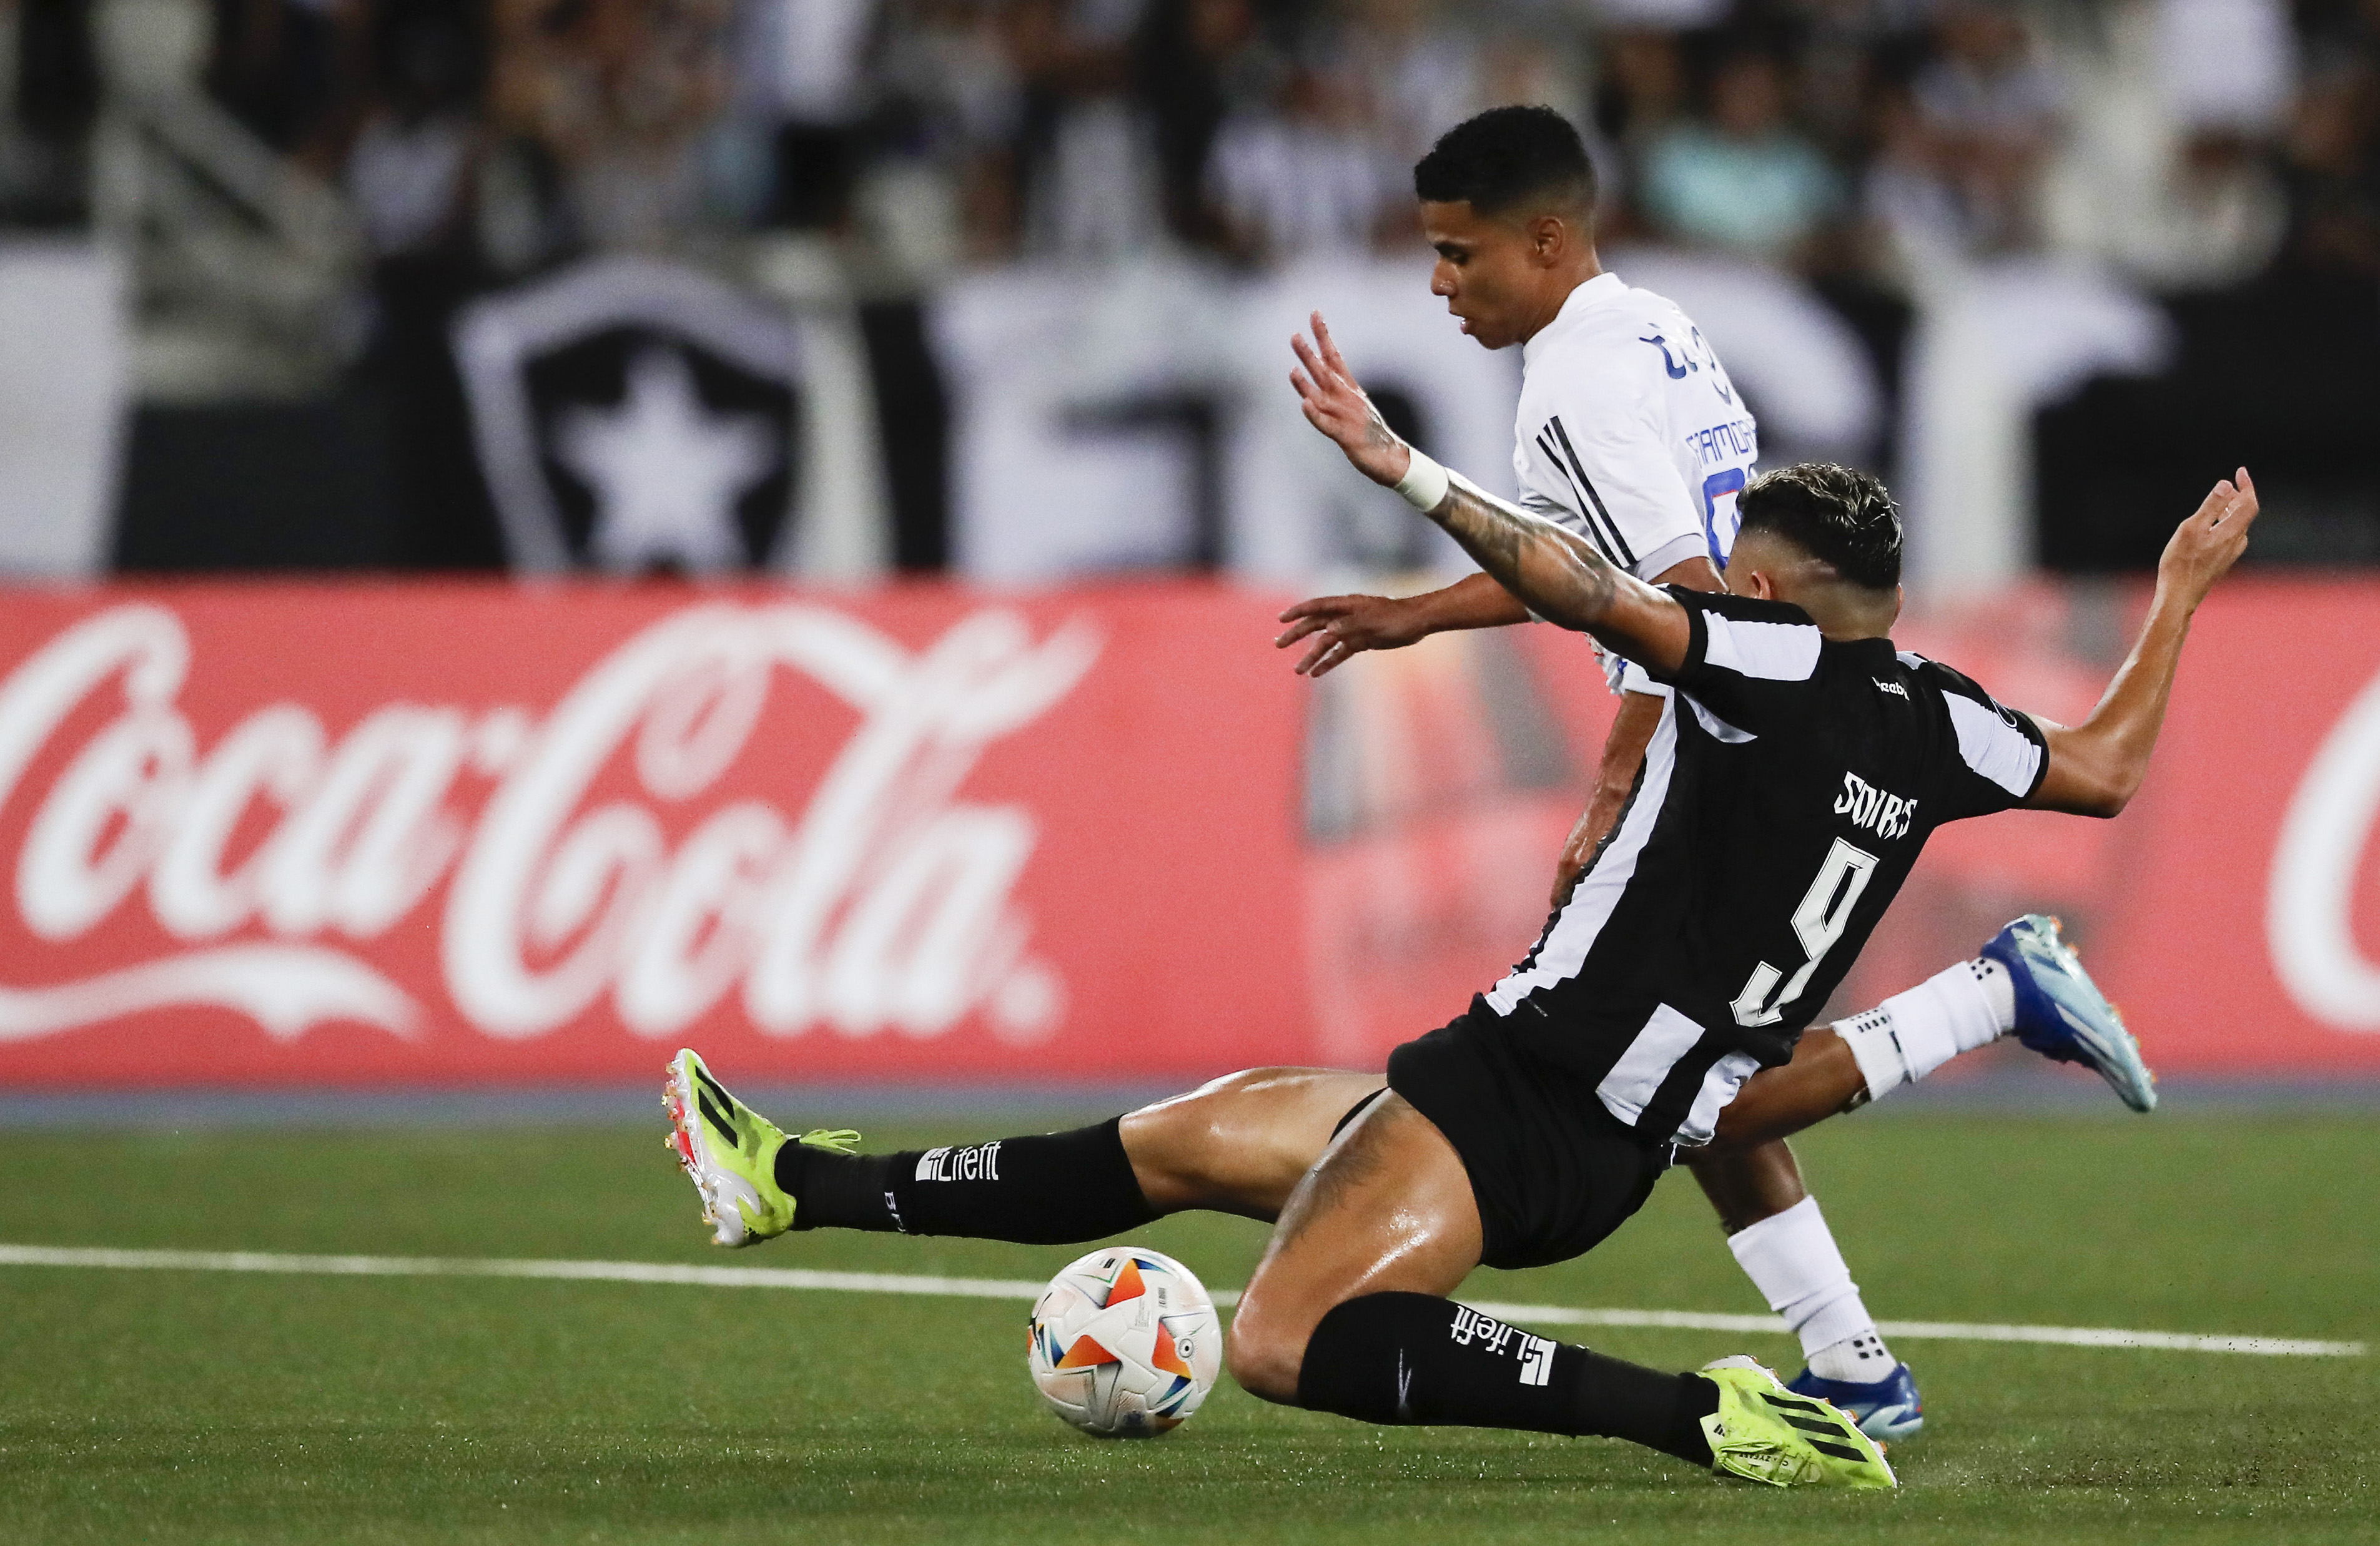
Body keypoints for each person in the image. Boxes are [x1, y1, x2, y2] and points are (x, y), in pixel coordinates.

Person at [666, 455, 2259, 1490]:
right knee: (1188, 1138)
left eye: (1723, 565)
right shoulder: (1944, 718)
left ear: (1770, 593)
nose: (1701, 578)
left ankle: (1701, 1412)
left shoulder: (1764, 659)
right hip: (1588, 1103)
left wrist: (1404, 473)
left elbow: (1580, 586)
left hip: (1534, 1094)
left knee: (1286, 1340)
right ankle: (788, 1179)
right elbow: (2106, 766)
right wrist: (2179, 588)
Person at [1270, 104, 2080, 1437]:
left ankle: (1986, 997)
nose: (1438, 282)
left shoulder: (1569, 385)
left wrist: (1616, 784)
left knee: (1672, 1072)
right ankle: (1856, 1359)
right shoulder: (1652, 329)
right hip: (1769, 710)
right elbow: (1592, 566)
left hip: (1724, 743)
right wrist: (1423, 613)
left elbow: (1683, 608)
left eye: (1458, 253)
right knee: (1691, 1071)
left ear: (1542, 239)